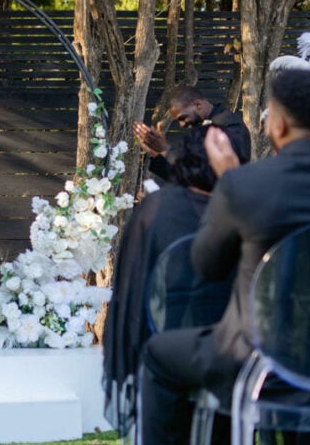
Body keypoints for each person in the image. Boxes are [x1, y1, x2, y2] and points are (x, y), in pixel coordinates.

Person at [138, 69, 310, 444]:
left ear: (276, 125)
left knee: (159, 354)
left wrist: (229, 186)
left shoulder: (245, 184)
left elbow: (206, 265)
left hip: (251, 359)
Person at [102, 124, 231, 435]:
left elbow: (133, 286)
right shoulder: (245, 208)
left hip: (172, 339)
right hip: (237, 348)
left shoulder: (157, 209)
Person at [134, 86, 252, 181]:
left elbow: (211, 174)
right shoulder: (198, 128)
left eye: (183, 118)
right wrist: (157, 155)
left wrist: (166, 151)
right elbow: (188, 178)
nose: (182, 125)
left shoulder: (230, 124)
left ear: (198, 105)